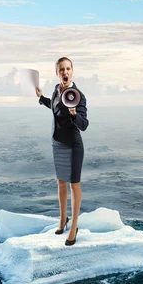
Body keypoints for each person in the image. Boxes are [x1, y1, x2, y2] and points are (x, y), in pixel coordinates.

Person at [36, 57, 89, 246]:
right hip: (57, 142)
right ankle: (62, 219)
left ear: (72, 71)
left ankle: (74, 226)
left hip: (73, 145)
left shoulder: (78, 95)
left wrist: (75, 114)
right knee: (60, 183)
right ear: (57, 73)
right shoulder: (57, 90)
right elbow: (55, 107)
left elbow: (84, 125)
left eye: (68, 69)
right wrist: (42, 98)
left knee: (74, 184)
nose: (65, 72)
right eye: (61, 69)